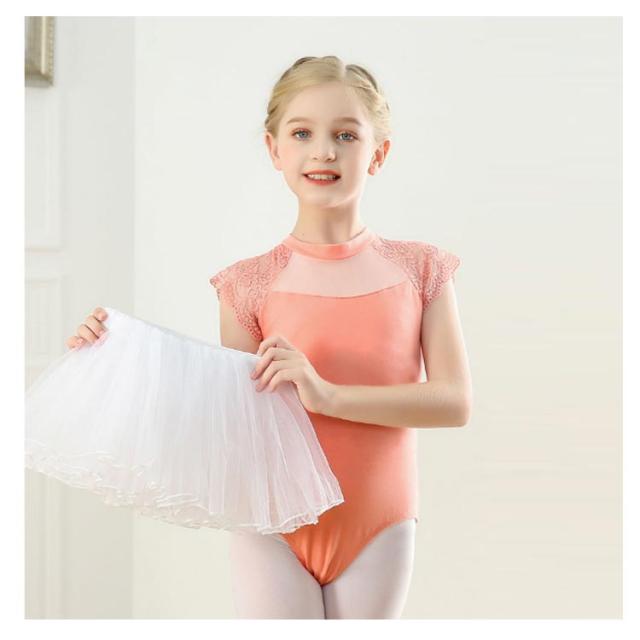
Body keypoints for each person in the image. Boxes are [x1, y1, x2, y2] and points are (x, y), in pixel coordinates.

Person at [66, 55, 472, 619]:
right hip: (270, 522)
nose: (323, 151)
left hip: (378, 519)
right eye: (302, 133)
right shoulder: (245, 284)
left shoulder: (421, 270)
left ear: (378, 153)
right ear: (273, 149)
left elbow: (454, 402)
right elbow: (233, 421)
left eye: (346, 135)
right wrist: (117, 352)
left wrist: (329, 396)